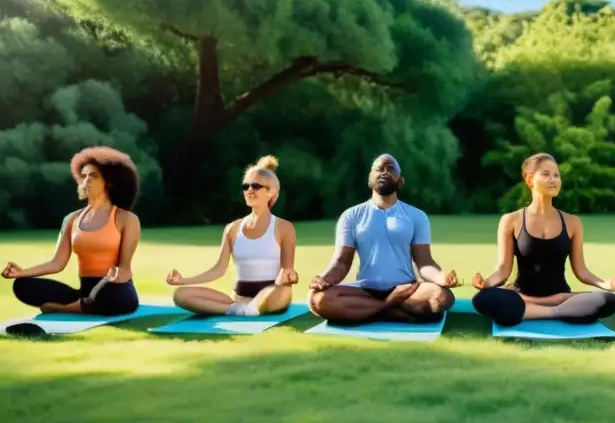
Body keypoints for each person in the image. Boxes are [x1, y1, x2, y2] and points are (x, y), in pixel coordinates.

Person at [470, 153, 615, 326]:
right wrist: (487, 282)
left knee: (609, 300)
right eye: (546, 174)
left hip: (560, 297)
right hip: (523, 296)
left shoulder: (573, 223)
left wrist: (605, 283)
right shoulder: (511, 220)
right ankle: (560, 313)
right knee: (482, 299)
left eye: (556, 175)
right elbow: (503, 271)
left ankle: (531, 312)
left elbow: (581, 271)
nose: (553, 180)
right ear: (530, 180)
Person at [308, 154, 458, 324]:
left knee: (441, 297)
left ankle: (366, 311)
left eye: (390, 169)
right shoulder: (351, 216)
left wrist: (441, 278)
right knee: (318, 300)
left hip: (406, 290)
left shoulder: (417, 216)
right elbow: (341, 262)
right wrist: (323, 279)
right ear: (370, 179)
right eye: (379, 169)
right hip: (365, 290)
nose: (384, 172)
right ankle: (390, 308)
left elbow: (425, 263)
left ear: (400, 181)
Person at [1, 146, 141, 316]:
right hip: (84, 291)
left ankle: (68, 308)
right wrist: (23, 272)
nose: (86, 181)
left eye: (94, 176)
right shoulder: (71, 219)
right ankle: (84, 304)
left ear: (109, 181)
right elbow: (57, 263)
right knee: (22, 285)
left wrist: (108, 282)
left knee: (115, 296)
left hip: (114, 287)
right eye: (83, 176)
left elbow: (124, 270)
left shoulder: (127, 219)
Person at [166, 156, 298, 316]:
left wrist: (288, 274)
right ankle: (238, 310)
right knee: (181, 295)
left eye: (256, 186)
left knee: (281, 291)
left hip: (271, 296)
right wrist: (184, 281)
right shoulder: (232, 229)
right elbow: (218, 269)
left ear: (271, 193)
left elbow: (286, 270)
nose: (249, 190)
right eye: (246, 186)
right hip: (238, 300)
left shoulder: (284, 228)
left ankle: (252, 309)